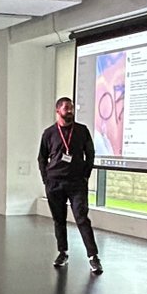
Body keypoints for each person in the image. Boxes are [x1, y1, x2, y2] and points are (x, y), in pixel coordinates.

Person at [38, 97, 102, 274]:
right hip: (55, 183)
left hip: (76, 183)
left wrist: (85, 176)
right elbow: (42, 158)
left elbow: (90, 154)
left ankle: (93, 256)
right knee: (59, 220)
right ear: (58, 110)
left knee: (82, 218)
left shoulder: (81, 131)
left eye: (72, 107)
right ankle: (62, 252)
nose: (70, 110)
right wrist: (46, 179)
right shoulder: (49, 133)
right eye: (67, 108)